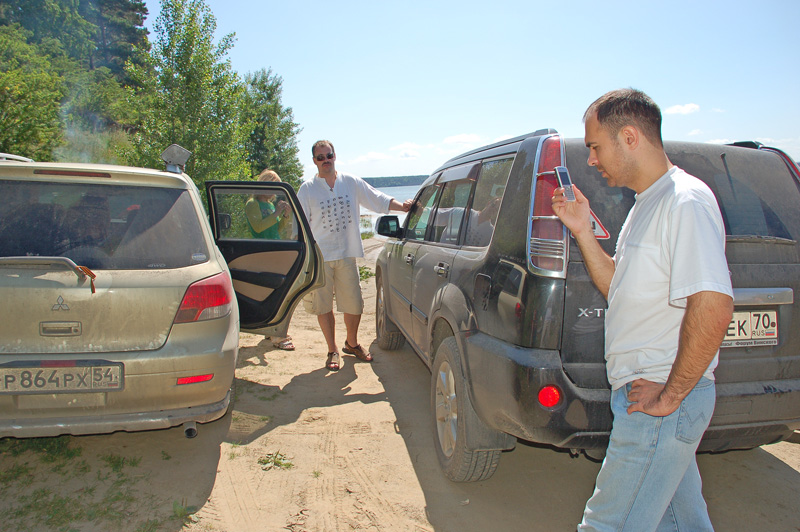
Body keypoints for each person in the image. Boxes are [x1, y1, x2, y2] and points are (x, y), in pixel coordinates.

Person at [551, 89, 734, 531]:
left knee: (606, 524)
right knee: (683, 523)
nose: (591, 159)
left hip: (658, 398)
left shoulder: (684, 201)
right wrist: (582, 231)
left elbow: (713, 303)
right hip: (652, 396)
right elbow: (620, 287)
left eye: (595, 146)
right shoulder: (647, 203)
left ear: (629, 136)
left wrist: (671, 395)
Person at [297, 140, 412, 371]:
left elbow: (376, 198)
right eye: (320, 157)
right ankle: (332, 350)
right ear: (314, 161)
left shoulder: (350, 182)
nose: (325, 160)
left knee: (354, 303)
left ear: (335, 155)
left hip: (347, 254)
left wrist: (403, 207)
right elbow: (299, 226)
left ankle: (352, 343)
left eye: (328, 155)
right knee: (323, 305)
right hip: (320, 256)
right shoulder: (307, 189)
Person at [246, 169, 295, 351]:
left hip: (276, 249)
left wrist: (285, 215)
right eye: (272, 186)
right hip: (262, 251)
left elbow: (278, 229)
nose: (274, 192)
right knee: (270, 291)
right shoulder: (252, 204)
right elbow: (258, 228)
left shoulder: (271, 205)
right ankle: (277, 335)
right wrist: (275, 215)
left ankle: (271, 329)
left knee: (276, 292)